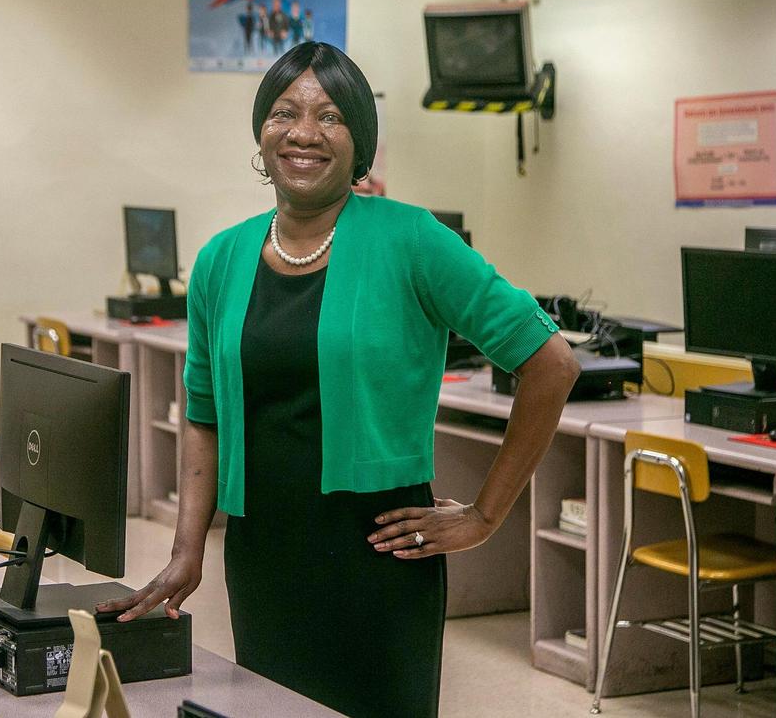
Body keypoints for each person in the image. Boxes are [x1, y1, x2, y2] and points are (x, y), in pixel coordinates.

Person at [97, 42, 579, 718]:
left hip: (378, 560)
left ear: (361, 142)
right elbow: (202, 413)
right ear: (261, 130)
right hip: (263, 557)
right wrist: (185, 552)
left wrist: (484, 515)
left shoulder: (413, 239)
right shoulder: (221, 258)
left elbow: (550, 362)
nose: (303, 132)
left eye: (329, 116)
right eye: (285, 112)